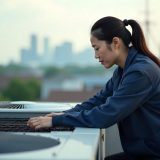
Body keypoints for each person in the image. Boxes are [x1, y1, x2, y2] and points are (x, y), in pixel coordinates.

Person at [27, 16, 160, 160]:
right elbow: (98, 100)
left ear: (115, 42)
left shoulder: (140, 72)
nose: (96, 55)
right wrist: (64, 114)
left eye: (97, 48)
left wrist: (57, 121)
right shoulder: (122, 71)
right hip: (142, 152)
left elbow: (107, 114)